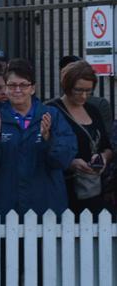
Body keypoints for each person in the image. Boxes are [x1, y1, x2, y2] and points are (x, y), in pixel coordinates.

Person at [0, 59, 76, 216]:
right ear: (6, 88)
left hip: (45, 206)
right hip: (3, 208)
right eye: (12, 85)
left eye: (23, 85)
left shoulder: (53, 116)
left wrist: (48, 139)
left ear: (32, 88)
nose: (17, 90)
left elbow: (64, 160)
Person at [48, 60, 113, 216]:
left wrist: (103, 158)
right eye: (78, 90)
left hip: (93, 188)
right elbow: (45, 148)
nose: (84, 95)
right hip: (65, 187)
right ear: (67, 86)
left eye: (88, 91)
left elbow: (107, 146)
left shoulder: (93, 110)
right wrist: (70, 162)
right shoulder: (51, 109)